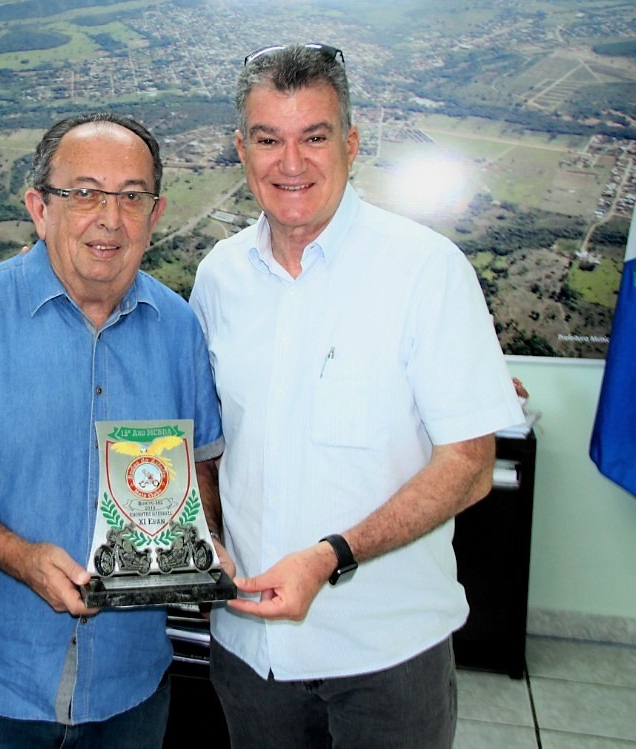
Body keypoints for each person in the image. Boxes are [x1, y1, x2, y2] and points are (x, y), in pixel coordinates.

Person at [188, 43, 524, 748]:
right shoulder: (220, 276)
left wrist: (331, 554)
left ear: (352, 143)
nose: (291, 162)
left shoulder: (426, 270)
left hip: (387, 655)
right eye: (268, 139)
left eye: (314, 137)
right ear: (240, 149)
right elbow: (212, 443)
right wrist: (205, 537)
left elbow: (468, 463)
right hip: (249, 653)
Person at [0, 112, 225, 748]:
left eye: (132, 197)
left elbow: (198, 468)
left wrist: (204, 548)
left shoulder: (180, 328)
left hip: (129, 690)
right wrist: (21, 558)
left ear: (156, 214)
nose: (111, 218)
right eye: (85, 192)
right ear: (40, 208)